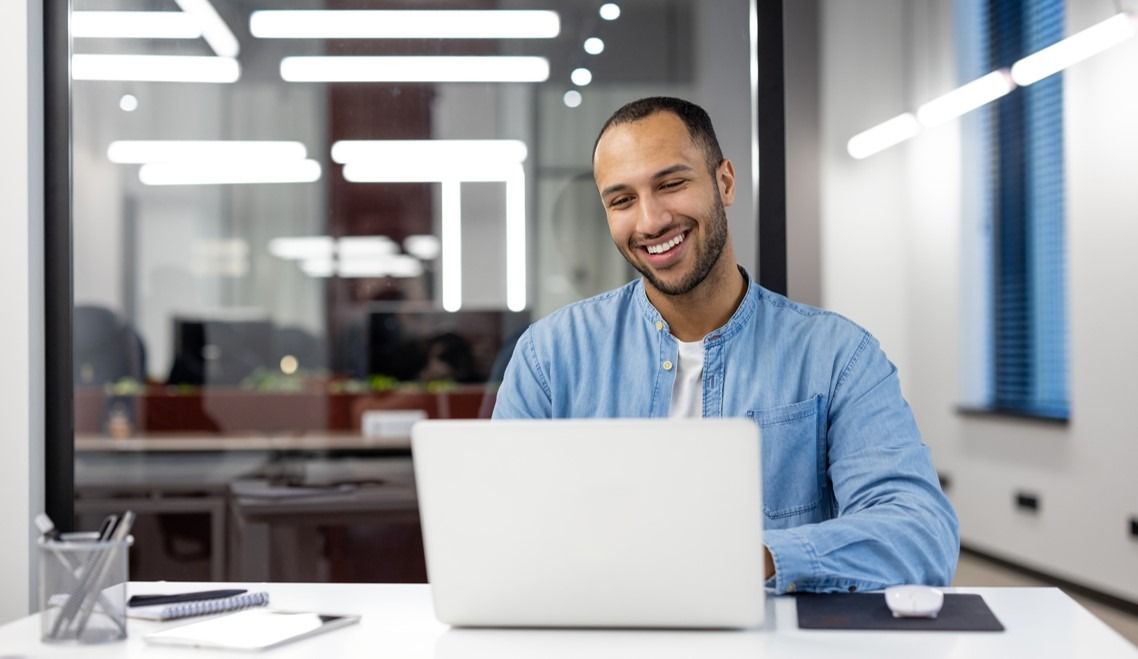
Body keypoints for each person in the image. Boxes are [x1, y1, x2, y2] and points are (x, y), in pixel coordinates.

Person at [492, 97, 959, 594]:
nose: (649, 221)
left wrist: (750, 559)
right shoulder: (550, 356)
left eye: (671, 184)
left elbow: (920, 534)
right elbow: (498, 530)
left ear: (725, 182)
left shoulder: (837, 356)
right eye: (622, 200)